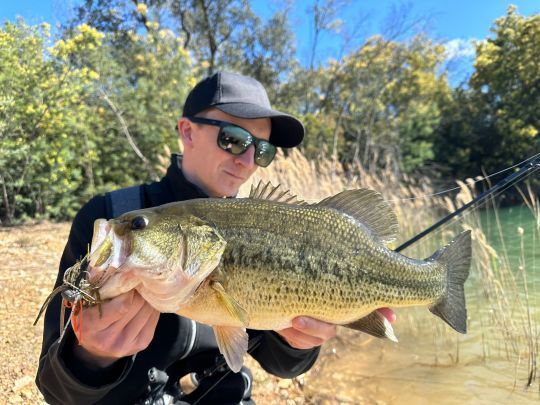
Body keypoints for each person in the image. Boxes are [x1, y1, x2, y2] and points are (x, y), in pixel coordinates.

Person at [36, 71, 395, 404]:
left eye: (264, 150)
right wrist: (90, 357)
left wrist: (300, 342)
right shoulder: (113, 215)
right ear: (188, 132)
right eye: (235, 140)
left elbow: (281, 365)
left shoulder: (266, 229)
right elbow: (54, 387)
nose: (249, 160)